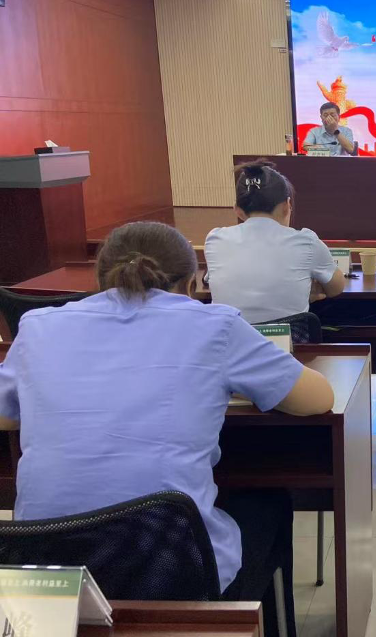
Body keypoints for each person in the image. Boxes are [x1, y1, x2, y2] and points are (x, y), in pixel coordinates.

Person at [0, 221, 335, 637]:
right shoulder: (215, 325)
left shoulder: (38, 326)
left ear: (100, 281)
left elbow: (5, 413)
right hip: (176, 578)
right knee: (268, 504)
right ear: (191, 284)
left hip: (50, 584)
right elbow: (317, 399)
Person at [205, 161, 345, 324]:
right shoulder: (306, 242)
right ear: (287, 206)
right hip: (290, 341)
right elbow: (336, 288)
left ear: (238, 211)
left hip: (233, 340)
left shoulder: (215, 239)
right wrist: (302, 290)